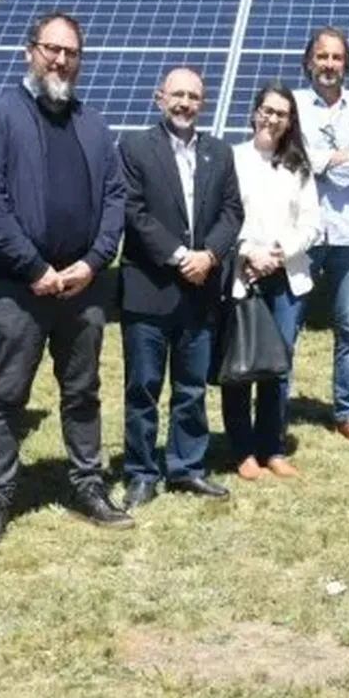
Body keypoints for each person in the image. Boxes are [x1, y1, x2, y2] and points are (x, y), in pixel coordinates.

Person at [0, 11, 129, 549]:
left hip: (82, 290)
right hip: (18, 289)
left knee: (83, 392)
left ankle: (88, 484)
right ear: (29, 50)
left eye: (71, 53)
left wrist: (93, 262)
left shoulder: (94, 125)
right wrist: (35, 269)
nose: (60, 60)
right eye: (51, 49)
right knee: (7, 396)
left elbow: (114, 199)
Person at [118, 67, 243, 508]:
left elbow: (232, 212)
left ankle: (187, 467)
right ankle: (140, 472)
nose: (185, 103)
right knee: (143, 387)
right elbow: (133, 212)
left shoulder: (219, 153)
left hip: (201, 289)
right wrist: (179, 256)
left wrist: (209, 255)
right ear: (159, 98)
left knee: (191, 387)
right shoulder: (134, 147)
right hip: (149, 287)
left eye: (193, 97)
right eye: (177, 95)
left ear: (202, 104)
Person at [222, 81, 321, 480]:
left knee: (278, 367)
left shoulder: (298, 165)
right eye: (267, 110)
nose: (273, 118)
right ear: (254, 111)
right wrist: (250, 252)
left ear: (289, 121)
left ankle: (273, 447)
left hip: (287, 277)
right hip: (244, 274)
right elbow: (222, 217)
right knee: (242, 363)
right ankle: (242, 450)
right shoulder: (231, 158)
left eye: (281, 113)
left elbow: (313, 224)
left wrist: (280, 251)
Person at [293, 26, 349, 444]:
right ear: (310, 60)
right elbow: (288, 158)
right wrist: (335, 157)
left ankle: (347, 411)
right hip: (301, 235)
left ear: (347, 63)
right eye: (322, 56)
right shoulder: (291, 105)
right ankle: (277, 403)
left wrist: (318, 162)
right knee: (286, 325)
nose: (329, 64)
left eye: (336, 57)